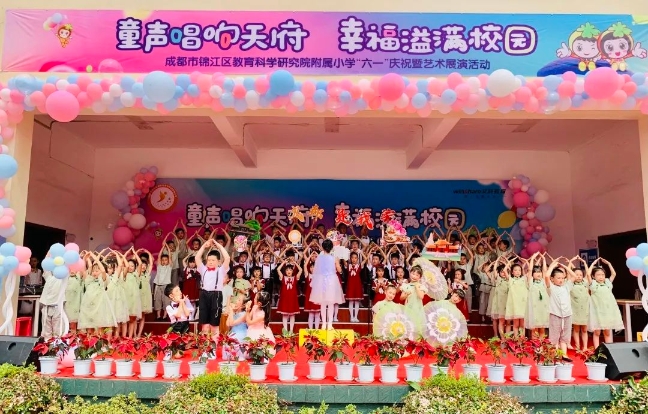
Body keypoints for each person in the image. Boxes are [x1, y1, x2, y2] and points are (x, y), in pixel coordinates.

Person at [195, 239, 230, 345]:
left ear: (218, 262)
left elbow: (227, 258)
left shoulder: (221, 270)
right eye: (209, 260)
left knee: (214, 324)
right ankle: (204, 346)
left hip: (216, 295)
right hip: (204, 295)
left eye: (213, 260)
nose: (210, 262)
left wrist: (219, 246)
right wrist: (204, 246)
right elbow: (197, 258)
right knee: (204, 324)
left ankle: (214, 346)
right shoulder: (203, 269)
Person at [309, 239, 345, 331]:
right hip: (331, 281)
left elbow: (316, 271)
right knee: (331, 303)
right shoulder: (334, 258)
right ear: (331, 248)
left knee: (323, 303)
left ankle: (324, 324)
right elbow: (340, 270)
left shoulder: (319, 258)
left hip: (321, 280)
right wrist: (338, 265)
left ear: (323, 247)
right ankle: (330, 324)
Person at [588, 259, 623, 348]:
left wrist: (609, 263)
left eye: (602, 275)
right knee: (597, 332)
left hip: (607, 312)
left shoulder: (607, 283)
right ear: (593, 276)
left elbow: (614, 274)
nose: (601, 277)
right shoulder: (593, 284)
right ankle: (597, 350)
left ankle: (609, 349)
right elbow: (588, 274)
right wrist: (593, 264)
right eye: (598, 275)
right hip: (597, 312)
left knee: (607, 332)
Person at [78, 253, 116, 335]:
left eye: (97, 271)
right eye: (93, 271)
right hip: (89, 308)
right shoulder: (89, 280)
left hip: (99, 308)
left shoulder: (103, 280)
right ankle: (90, 342)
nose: (94, 272)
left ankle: (100, 342)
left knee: (99, 328)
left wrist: (95, 259)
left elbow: (103, 270)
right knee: (90, 328)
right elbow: (83, 270)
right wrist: (84, 259)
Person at [544, 261, 573, 362]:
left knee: (565, 336)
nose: (561, 280)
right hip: (555, 315)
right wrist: (552, 265)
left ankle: (564, 354)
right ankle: (556, 354)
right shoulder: (551, 288)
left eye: (562, 278)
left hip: (567, 314)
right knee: (555, 336)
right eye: (558, 278)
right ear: (552, 279)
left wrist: (564, 266)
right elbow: (546, 276)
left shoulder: (566, 287)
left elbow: (573, 276)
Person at [564, 258, 590, 350]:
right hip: (575, 310)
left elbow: (588, 273)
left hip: (585, 310)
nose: (578, 276)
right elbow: (568, 273)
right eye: (576, 275)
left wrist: (584, 262)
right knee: (576, 329)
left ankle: (585, 347)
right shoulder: (570, 284)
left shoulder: (585, 283)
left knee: (584, 329)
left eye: (580, 275)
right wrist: (570, 262)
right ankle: (578, 346)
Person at [400, 265, 428, 337]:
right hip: (408, 307)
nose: (414, 276)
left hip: (418, 308)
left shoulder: (421, 286)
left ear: (420, 277)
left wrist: (417, 287)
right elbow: (401, 298)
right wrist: (406, 294)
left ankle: (417, 340)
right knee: (408, 325)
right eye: (413, 273)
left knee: (417, 326)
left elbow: (421, 296)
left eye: (417, 275)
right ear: (410, 273)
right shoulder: (406, 285)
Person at [525, 258, 549, 339]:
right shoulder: (531, 282)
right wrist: (532, 259)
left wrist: (544, 259)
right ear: (532, 274)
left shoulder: (543, 281)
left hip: (543, 308)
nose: (539, 273)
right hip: (534, 309)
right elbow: (529, 270)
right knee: (534, 329)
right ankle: (535, 345)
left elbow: (545, 271)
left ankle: (541, 344)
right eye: (536, 272)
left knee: (542, 328)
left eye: (539, 272)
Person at [277, 259, 302, 333]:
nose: (289, 271)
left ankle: (291, 331)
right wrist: (283, 262)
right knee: (284, 315)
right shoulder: (283, 277)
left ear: (292, 271)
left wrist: (295, 263)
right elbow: (278, 269)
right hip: (285, 298)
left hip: (292, 299)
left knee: (292, 315)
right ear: (285, 271)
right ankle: (285, 331)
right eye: (287, 270)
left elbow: (300, 270)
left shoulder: (295, 277)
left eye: (290, 270)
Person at [39, 268, 64, 340]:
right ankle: (46, 344)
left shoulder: (63, 279)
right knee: (46, 332)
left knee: (57, 332)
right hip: (46, 307)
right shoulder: (49, 277)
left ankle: (56, 345)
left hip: (57, 307)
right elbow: (46, 267)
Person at [505, 262, 528, 338]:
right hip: (515, 306)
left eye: (519, 270)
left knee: (522, 325)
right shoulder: (511, 280)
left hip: (523, 305)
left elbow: (530, 270)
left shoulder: (524, 279)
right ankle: (516, 340)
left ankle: (522, 340)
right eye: (515, 270)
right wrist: (509, 262)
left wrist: (527, 262)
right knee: (516, 325)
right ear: (512, 272)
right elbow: (505, 270)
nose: (518, 272)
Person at [123, 249, 142, 338]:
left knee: (132, 320)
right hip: (125, 300)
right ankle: (124, 337)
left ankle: (130, 337)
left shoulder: (136, 275)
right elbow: (124, 265)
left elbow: (140, 264)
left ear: (135, 267)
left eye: (132, 266)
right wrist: (126, 253)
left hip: (134, 301)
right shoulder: (124, 274)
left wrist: (135, 253)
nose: (130, 267)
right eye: (129, 265)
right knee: (124, 321)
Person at [225, 295, 248, 361]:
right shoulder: (234, 313)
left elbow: (232, 323)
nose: (236, 301)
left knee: (235, 341)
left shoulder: (244, 314)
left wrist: (231, 311)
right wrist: (231, 312)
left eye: (239, 300)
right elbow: (228, 324)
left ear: (243, 305)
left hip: (241, 333)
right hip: (233, 332)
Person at [153, 247, 173, 321]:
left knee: (166, 301)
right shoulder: (159, 266)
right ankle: (158, 316)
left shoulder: (169, 267)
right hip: (158, 286)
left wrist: (168, 248)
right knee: (157, 301)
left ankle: (164, 316)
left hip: (166, 286)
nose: (164, 261)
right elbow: (159, 256)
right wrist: (162, 248)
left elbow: (170, 257)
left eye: (166, 260)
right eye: (163, 260)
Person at [137, 250, 154, 338]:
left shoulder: (147, 274)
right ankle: (133, 334)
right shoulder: (136, 274)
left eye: (145, 265)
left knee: (142, 316)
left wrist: (148, 252)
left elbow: (151, 264)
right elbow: (133, 262)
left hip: (145, 298)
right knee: (134, 317)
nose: (143, 267)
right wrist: (136, 253)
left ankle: (139, 334)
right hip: (137, 297)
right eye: (141, 265)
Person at [345, 251, 365, 322]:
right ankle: (351, 317)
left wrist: (361, 252)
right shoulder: (348, 265)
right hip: (350, 285)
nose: (354, 259)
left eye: (355, 258)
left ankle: (356, 317)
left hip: (357, 285)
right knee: (351, 301)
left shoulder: (359, 265)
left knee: (356, 301)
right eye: (352, 258)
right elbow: (343, 259)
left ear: (357, 259)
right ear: (350, 258)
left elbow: (366, 259)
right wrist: (344, 252)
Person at [303, 251, 321, 329]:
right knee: (310, 314)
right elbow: (305, 265)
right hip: (310, 296)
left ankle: (316, 330)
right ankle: (310, 330)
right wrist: (310, 256)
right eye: (311, 267)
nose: (312, 268)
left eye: (314, 267)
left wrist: (318, 256)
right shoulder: (308, 275)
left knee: (317, 314)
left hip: (317, 296)